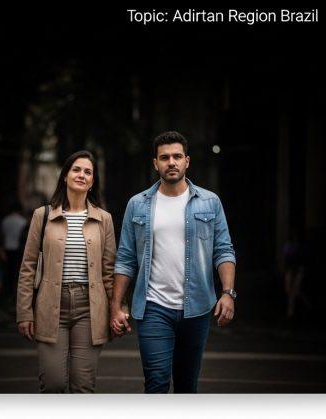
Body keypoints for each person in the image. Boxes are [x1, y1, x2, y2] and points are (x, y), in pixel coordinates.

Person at [110, 131, 237, 393]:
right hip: (153, 307)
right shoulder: (138, 204)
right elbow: (125, 258)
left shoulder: (210, 202)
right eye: (164, 157)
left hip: (197, 308)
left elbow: (224, 250)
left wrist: (228, 293)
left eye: (177, 156)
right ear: (155, 163)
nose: (171, 162)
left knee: (186, 386)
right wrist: (116, 305)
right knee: (156, 383)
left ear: (187, 161)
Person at [16, 150, 116, 393]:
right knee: (53, 383)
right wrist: (24, 311)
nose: (82, 175)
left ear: (93, 181)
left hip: (89, 308)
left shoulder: (104, 219)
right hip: (50, 305)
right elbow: (28, 266)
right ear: (65, 176)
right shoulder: (43, 215)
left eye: (88, 172)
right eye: (76, 169)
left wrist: (117, 309)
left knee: (83, 386)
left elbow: (109, 271)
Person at [1, 202, 28, 304]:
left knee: (8, 274)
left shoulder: (5, 220)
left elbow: (2, 236)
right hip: (18, 250)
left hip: (6, 250)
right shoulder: (23, 221)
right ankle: (15, 297)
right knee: (18, 274)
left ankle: (8, 296)